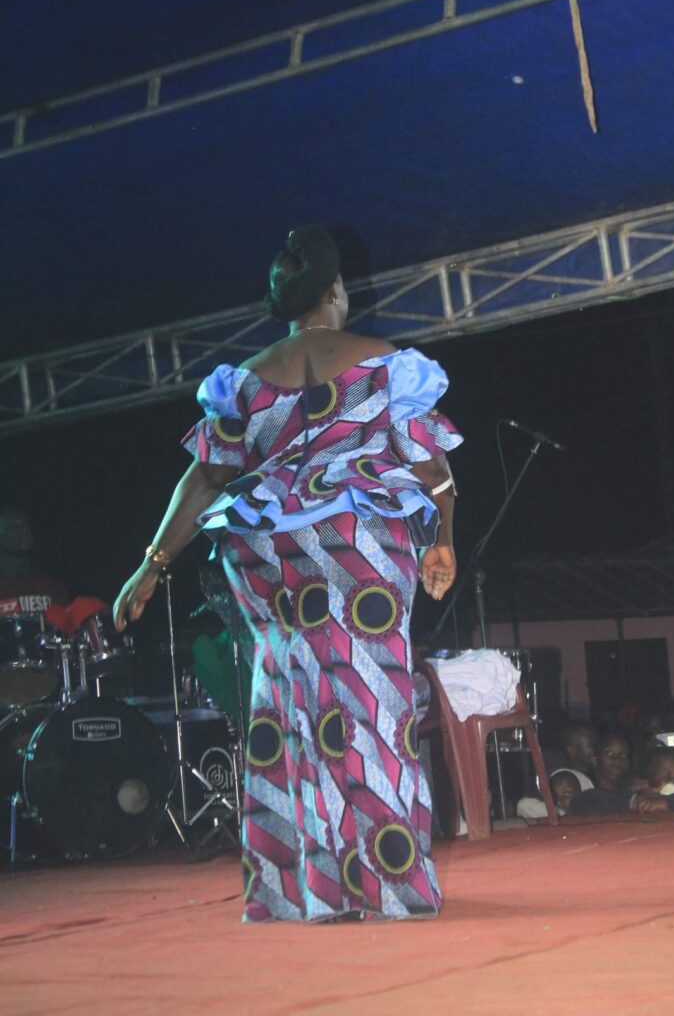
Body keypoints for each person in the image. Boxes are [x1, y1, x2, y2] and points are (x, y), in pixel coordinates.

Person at [113, 225, 462, 923]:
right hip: (358, 543)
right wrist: (441, 539)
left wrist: (149, 567)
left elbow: (204, 479)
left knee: (289, 703)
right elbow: (432, 468)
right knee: (371, 702)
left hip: (269, 552)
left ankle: (304, 890)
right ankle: (388, 884)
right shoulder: (383, 365)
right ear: (334, 291)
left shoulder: (245, 381)